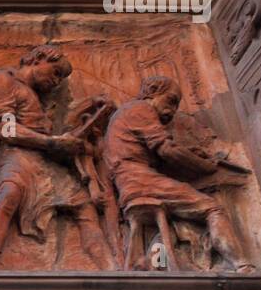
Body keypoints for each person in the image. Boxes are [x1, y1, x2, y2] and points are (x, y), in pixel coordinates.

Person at [0, 45, 113, 269]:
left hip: (44, 160)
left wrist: (90, 107)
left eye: (61, 77)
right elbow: (6, 130)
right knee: (10, 194)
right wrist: (52, 142)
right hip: (16, 155)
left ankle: (111, 269)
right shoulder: (1, 80)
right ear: (38, 59)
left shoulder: (35, 96)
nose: (57, 81)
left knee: (85, 208)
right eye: (56, 72)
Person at [104, 75, 252, 272]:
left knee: (175, 224)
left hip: (131, 183)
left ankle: (152, 263)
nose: (172, 111)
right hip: (140, 181)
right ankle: (241, 265)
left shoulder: (126, 116)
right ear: (152, 92)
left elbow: (159, 157)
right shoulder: (141, 109)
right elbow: (168, 150)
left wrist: (190, 154)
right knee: (212, 208)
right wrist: (206, 166)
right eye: (171, 100)